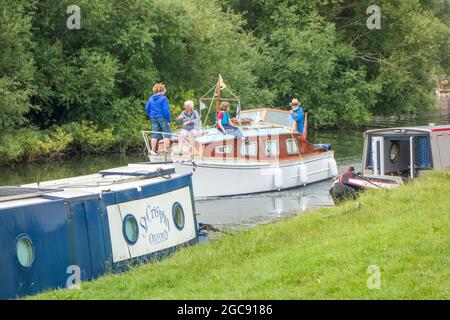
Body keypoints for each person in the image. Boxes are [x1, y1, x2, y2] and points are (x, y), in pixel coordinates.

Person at [145, 83, 172, 155]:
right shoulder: (163, 98)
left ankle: (153, 150)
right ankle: (167, 150)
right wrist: (169, 120)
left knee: (154, 134)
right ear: (162, 90)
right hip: (162, 117)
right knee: (166, 133)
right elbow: (166, 110)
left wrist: (151, 115)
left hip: (153, 118)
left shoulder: (151, 98)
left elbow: (147, 109)